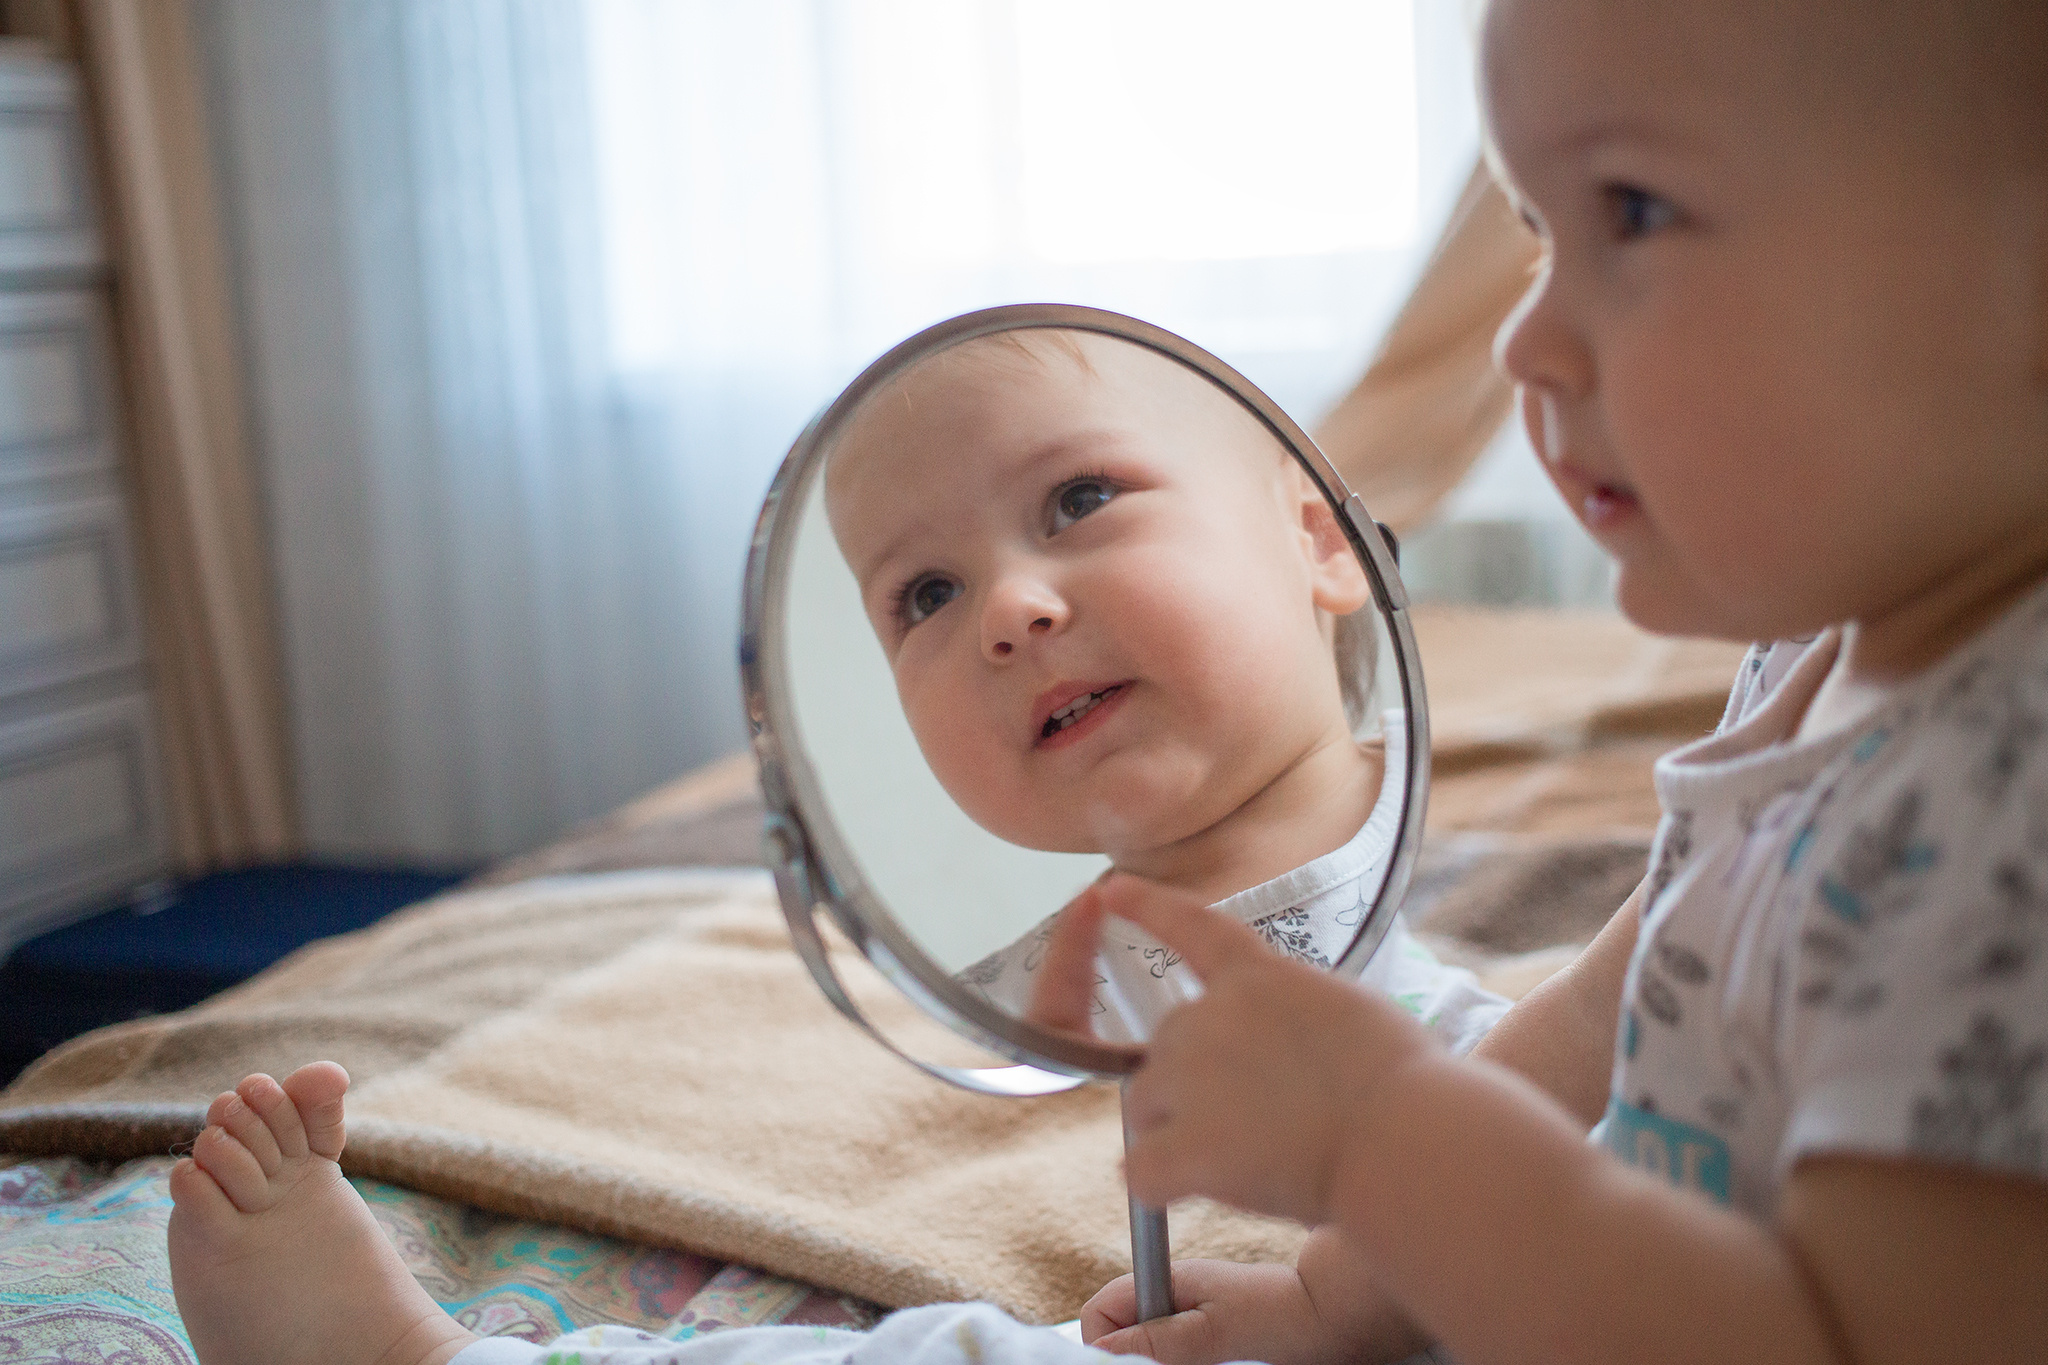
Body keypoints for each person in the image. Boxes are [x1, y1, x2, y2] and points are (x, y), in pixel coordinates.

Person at [163, 0, 2048, 1361]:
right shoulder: (1814, 676)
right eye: (1535, 236)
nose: (1524, 339)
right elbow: (1594, 1030)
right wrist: (1330, 1299)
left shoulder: (2006, 815)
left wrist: (1391, 1151)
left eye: (1629, 210)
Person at [823, 327, 1501, 1048]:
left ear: (1321, 539)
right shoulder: (997, 1024)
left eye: (1080, 500)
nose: (1007, 610)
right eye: (929, 595)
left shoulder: (1506, 827)